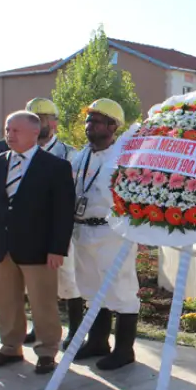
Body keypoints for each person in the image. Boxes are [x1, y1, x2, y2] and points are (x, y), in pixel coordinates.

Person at [0, 110, 76, 374]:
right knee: (6, 301)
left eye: (16, 130)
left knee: (42, 302)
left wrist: (57, 248)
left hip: (39, 249)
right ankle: (10, 347)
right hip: (2, 246)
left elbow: (63, 212)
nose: (10, 135)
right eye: (8, 130)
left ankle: (46, 351)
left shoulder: (55, 167)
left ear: (35, 132)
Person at [0, 98, 83, 349]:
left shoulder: (67, 153)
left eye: (44, 118)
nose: (42, 122)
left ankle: (75, 330)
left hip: (57, 230)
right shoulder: (5, 151)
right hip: (23, 234)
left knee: (68, 280)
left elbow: (69, 197)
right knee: (28, 287)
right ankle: (35, 329)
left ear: (52, 123)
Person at [69, 99, 141, 371]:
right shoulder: (80, 156)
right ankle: (98, 342)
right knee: (90, 288)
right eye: (88, 120)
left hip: (113, 232)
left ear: (113, 126)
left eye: (97, 121)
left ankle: (124, 350)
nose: (90, 126)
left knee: (121, 290)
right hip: (82, 229)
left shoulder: (124, 157)